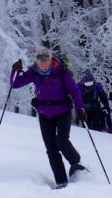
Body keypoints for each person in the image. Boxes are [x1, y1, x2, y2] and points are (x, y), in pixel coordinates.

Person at [11, 47, 88, 189]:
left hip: (63, 111)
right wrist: (15, 71)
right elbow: (15, 84)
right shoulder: (34, 72)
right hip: (45, 114)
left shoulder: (61, 71)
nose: (44, 64)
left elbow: (75, 90)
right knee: (51, 148)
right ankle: (61, 181)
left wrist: (80, 108)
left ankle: (75, 162)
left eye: (46, 61)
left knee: (62, 140)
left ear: (50, 59)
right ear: (37, 61)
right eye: (41, 62)